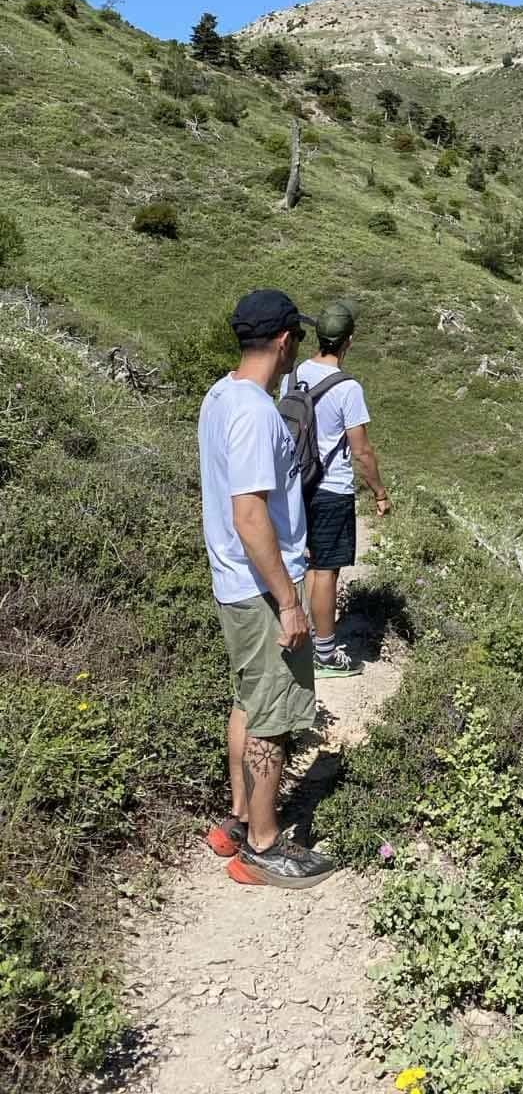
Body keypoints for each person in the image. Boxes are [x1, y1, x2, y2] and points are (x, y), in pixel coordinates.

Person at [199, 289, 336, 888]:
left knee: (249, 702)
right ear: (284, 342)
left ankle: (236, 820)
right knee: (272, 718)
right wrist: (287, 600)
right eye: (296, 340)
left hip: (235, 583)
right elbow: (250, 515)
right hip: (260, 590)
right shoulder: (256, 412)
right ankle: (262, 843)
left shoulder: (220, 395)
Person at [282, 299, 390, 677]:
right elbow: (361, 451)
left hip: (298, 484)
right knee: (327, 570)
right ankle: (325, 654)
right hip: (331, 488)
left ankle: (313, 636)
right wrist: (379, 492)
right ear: (348, 341)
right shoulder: (348, 388)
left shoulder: (292, 377)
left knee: (310, 562)